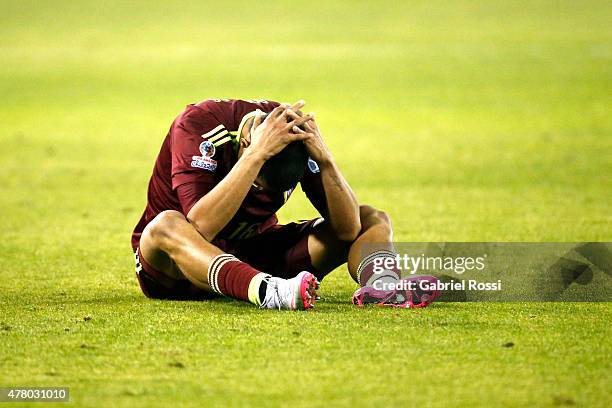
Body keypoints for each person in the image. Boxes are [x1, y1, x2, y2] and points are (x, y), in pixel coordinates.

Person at [131, 98, 439, 310]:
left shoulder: (293, 133)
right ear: (245, 143)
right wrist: (255, 157)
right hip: (179, 269)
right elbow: (202, 228)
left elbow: (347, 231)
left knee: (371, 218)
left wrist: (326, 161)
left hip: (254, 253)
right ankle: (269, 293)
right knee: (166, 225)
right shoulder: (198, 125)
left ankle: (383, 287)